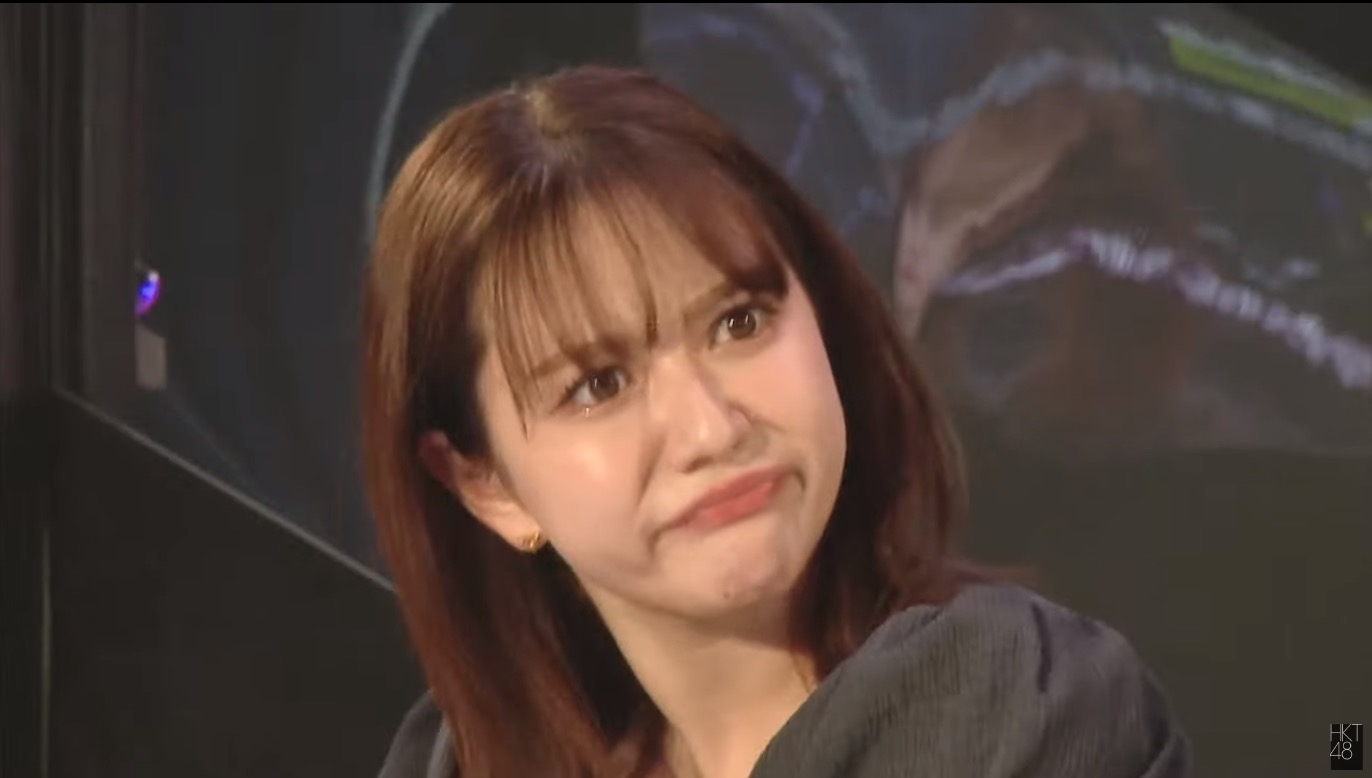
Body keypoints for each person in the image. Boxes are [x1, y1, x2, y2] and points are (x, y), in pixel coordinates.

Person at [360, 65, 1190, 778]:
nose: (713, 429)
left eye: (739, 322)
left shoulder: (1010, 709)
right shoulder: (458, 760)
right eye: (599, 385)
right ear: (487, 484)